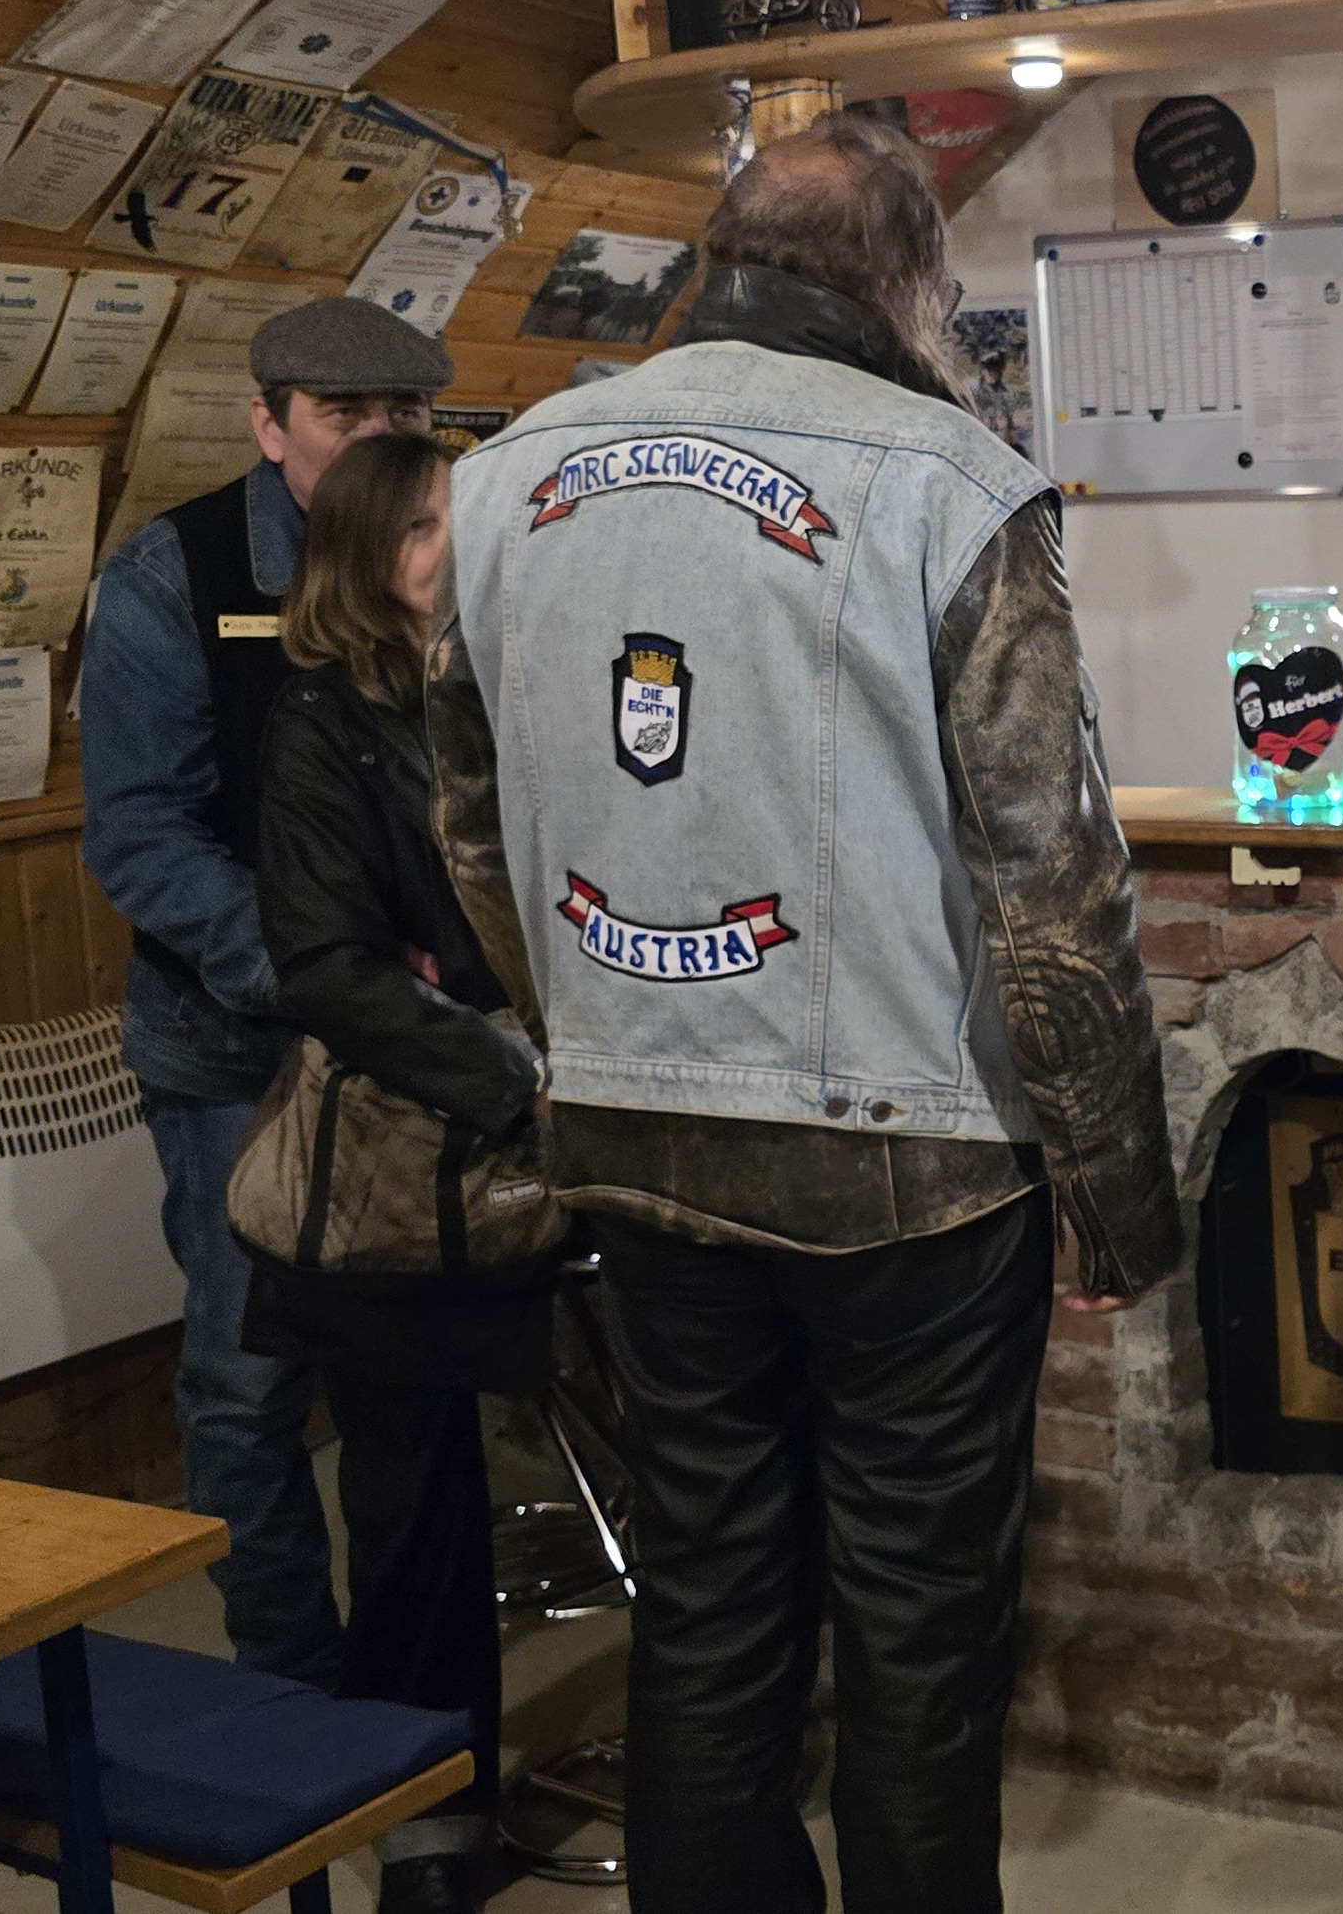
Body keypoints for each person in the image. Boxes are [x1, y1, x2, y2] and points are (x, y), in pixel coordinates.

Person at [426, 117, 1180, 1914]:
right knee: (919, 1634)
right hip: (911, 1166)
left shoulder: (503, 480)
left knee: (706, 1604)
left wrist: (583, 1029)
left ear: (721, 257)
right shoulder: (951, 481)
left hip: (635, 1132)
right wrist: (1115, 1198)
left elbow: (470, 825)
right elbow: (1052, 878)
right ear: (908, 282)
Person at [80, 296, 449, 1686]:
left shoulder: (453, 559)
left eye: (403, 415)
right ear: (269, 425)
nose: (375, 440)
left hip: (419, 1043)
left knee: (410, 1380)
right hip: (236, 1051)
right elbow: (138, 834)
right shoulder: (171, 576)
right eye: (342, 416)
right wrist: (319, 972)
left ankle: (411, 1682)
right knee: (245, 1382)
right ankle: (291, 1683)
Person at [242, 430, 551, 1914]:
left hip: (555, 1138)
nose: (460, 549)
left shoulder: (523, 683)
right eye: (429, 528)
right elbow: (331, 966)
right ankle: (430, 1827)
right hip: (403, 1168)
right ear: (368, 561)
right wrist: (506, 1067)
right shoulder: (322, 722)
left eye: (466, 521)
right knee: (412, 1507)